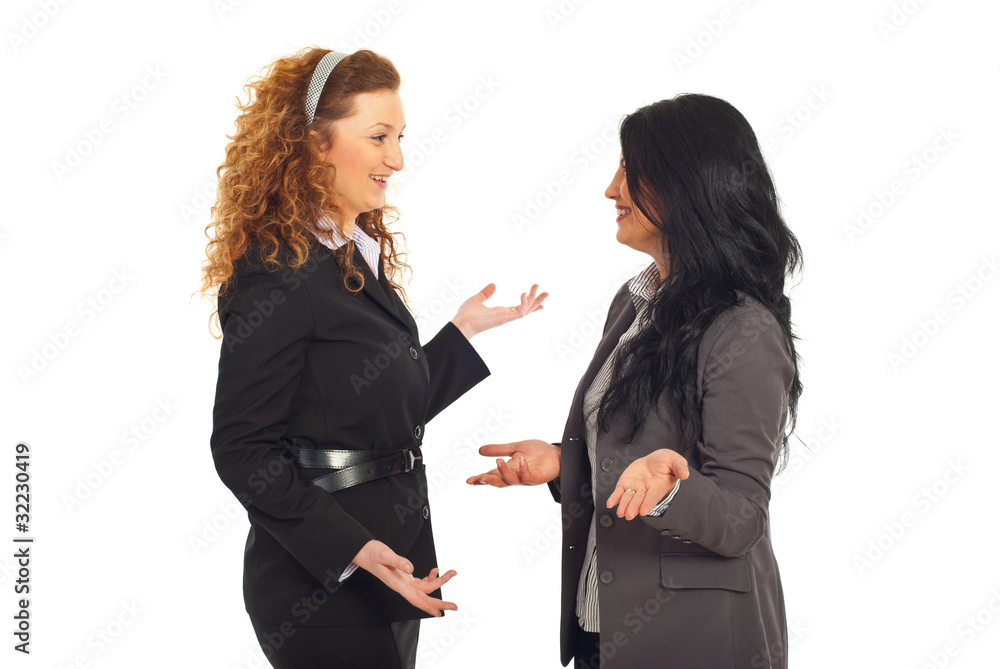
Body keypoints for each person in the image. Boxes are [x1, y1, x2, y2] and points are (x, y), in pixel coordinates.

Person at [201, 47, 546, 669]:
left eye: (401, 137)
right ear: (314, 145)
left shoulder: (350, 255)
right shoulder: (277, 271)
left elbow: (368, 411)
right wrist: (353, 548)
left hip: (384, 567)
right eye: (379, 136)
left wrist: (460, 335)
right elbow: (241, 450)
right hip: (320, 584)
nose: (398, 158)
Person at [468, 94, 803, 669]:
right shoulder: (636, 300)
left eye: (629, 169)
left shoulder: (743, 328)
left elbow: (742, 516)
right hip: (605, 631)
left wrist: (674, 487)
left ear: (685, 182)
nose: (610, 188)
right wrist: (561, 461)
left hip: (693, 643)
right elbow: (627, 455)